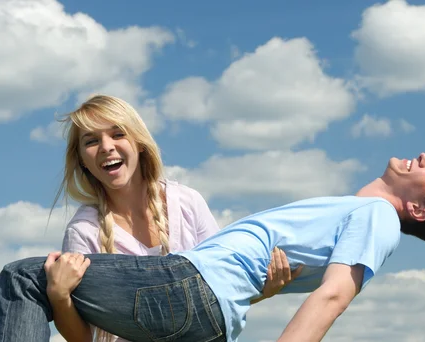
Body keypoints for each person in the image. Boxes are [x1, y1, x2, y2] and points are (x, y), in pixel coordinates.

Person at [0, 152, 425, 342]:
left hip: (189, 288)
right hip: (205, 315)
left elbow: (332, 296)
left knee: (22, 277)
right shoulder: (355, 214)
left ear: (418, 211)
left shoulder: (377, 217)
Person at [39, 94, 294, 342]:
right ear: (82, 159)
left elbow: (221, 288)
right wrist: (59, 296)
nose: (106, 146)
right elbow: (84, 338)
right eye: (91, 141)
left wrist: (262, 291)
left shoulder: (187, 202)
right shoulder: (83, 231)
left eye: (118, 134)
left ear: (139, 142)